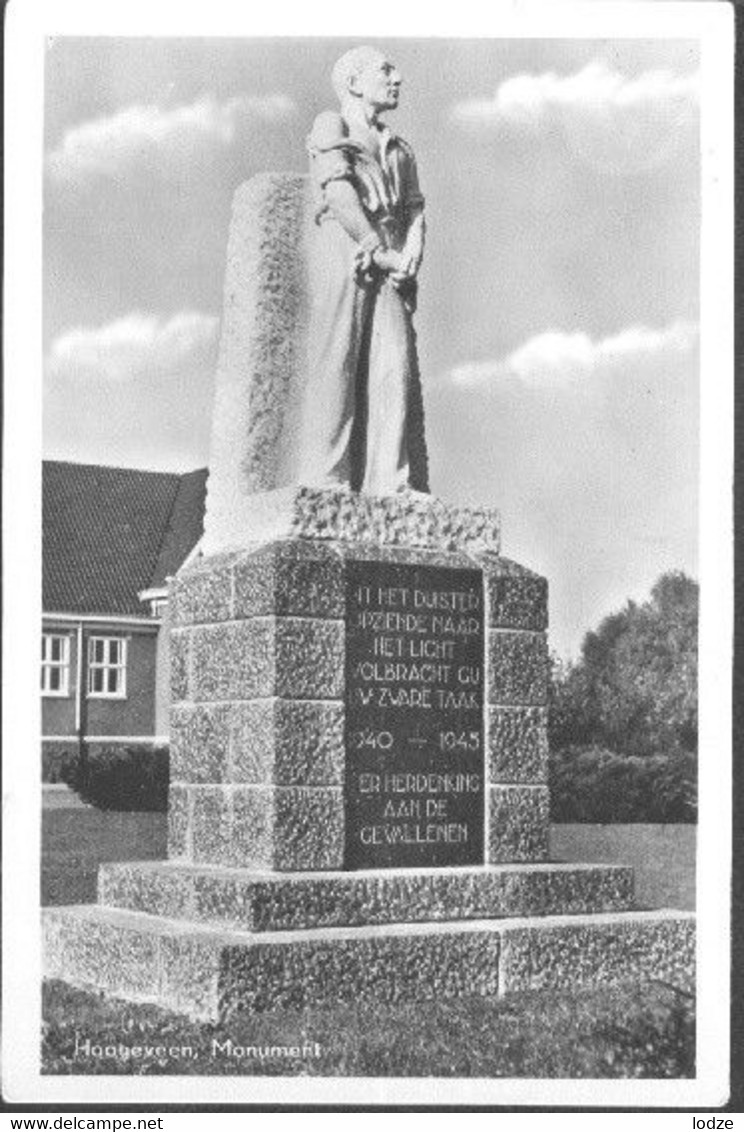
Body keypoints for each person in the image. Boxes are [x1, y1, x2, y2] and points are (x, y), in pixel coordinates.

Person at [299, 46, 429, 495]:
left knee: (395, 367)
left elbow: (415, 209)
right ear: (354, 82)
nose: (397, 79)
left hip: (392, 260)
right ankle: (327, 478)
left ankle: (391, 483)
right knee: (339, 357)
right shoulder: (331, 125)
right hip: (347, 247)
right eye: (386, 70)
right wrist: (376, 247)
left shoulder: (400, 148)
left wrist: (410, 251)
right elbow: (336, 191)